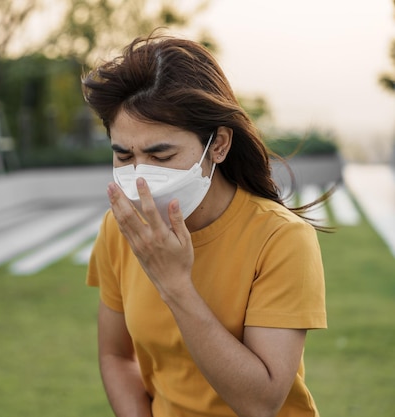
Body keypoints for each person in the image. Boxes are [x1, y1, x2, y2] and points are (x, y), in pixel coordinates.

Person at [82, 33, 327, 417]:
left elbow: (261, 402)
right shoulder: (120, 230)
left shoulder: (281, 239)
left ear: (218, 145)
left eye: (161, 154)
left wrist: (175, 284)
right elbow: (116, 355)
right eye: (124, 154)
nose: (140, 175)